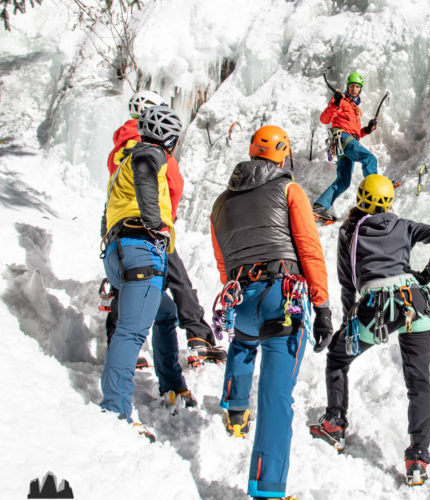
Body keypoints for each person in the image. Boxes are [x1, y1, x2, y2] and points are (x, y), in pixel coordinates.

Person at [210, 125, 333, 500]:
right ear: (282, 154)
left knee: (244, 345)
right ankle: (267, 489)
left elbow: (222, 261)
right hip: (281, 297)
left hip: (241, 298)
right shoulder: (289, 189)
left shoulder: (220, 203)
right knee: (277, 395)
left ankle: (234, 410)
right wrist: (322, 304)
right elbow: (309, 249)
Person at [308, 174, 430, 486]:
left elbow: (348, 282)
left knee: (337, 358)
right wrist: (428, 272)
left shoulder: (350, 230)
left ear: (360, 197)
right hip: (416, 301)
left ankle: (334, 423)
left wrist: (350, 319)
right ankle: (418, 458)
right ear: (389, 201)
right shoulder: (403, 225)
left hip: (378, 307)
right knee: (419, 382)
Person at [106, 90, 226, 367]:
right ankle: (199, 336)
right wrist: (163, 222)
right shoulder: (152, 149)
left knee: (125, 286)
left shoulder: (121, 149)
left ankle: (118, 344)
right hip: (149, 229)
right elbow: (173, 185)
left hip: (116, 227)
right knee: (178, 280)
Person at [100, 105, 195, 430]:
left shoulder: (123, 163)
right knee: (129, 332)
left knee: (164, 313)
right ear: (170, 137)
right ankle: (115, 411)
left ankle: (170, 381)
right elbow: (145, 173)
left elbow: (106, 216)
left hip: (120, 251)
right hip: (140, 247)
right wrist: (157, 225)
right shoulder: (149, 153)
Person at [312, 71, 378, 222]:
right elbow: (324, 119)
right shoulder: (340, 101)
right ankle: (376, 190)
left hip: (346, 141)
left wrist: (366, 130)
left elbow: (354, 134)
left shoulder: (356, 109)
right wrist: (335, 103)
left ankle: (320, 207)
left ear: (360, 89)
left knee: (344, 181)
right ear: (347, 87)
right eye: (351, 86)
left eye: (357, 87)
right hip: (341, 138)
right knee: (369, 158)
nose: (354, 89)